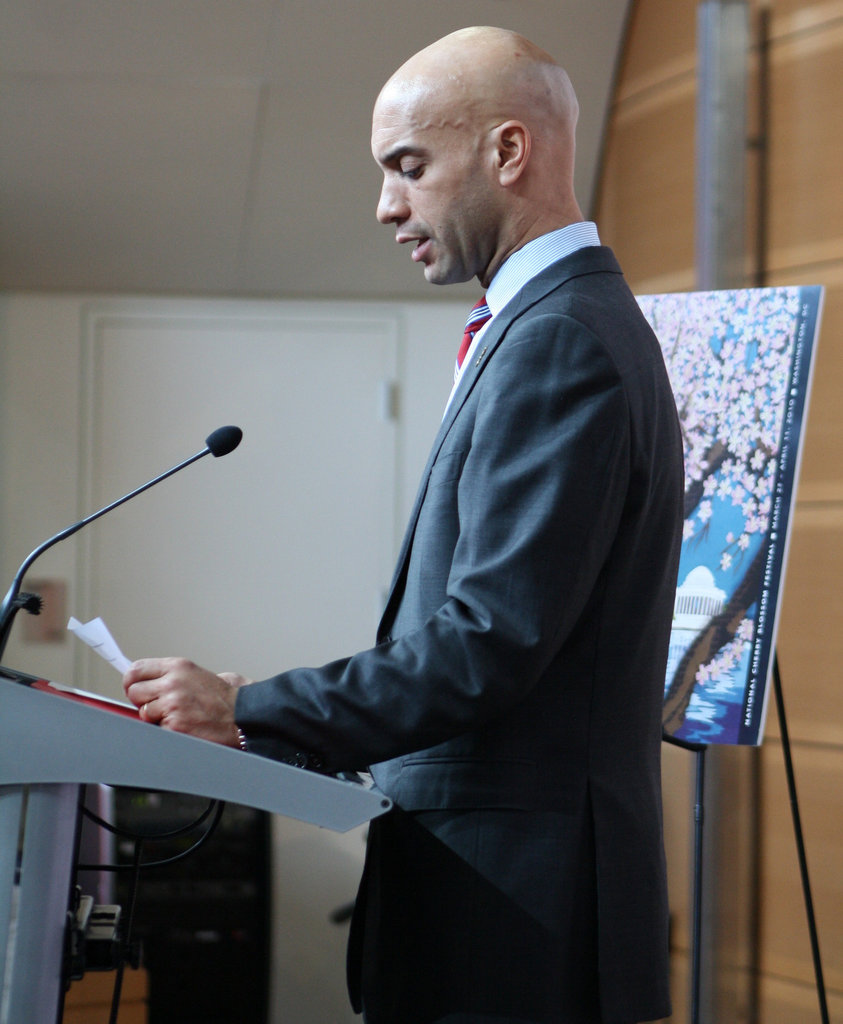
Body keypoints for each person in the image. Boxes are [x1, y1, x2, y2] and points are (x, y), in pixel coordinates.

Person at [123, 26, 684, 1024]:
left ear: (509, 151)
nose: (386, 206)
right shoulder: (548, 325)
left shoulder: (559, 340)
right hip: (505, 905)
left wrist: (249, 703)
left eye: (409, 167)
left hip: (517, 921)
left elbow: (488, 646)